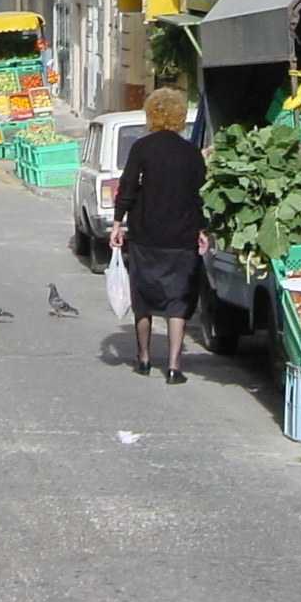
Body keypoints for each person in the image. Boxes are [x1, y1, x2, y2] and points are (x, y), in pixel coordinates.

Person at [109, 86, 208, 384]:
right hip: (182, 236)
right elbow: (199, 195)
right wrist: (202, 229)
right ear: (179, 117)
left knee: (144, 296)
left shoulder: (142, 148)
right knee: (178, 300)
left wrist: (117, 223)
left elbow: (126, 188)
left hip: (145, 234)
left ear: (151, 114)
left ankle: (144, 358)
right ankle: (175, 367)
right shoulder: (191, 153)